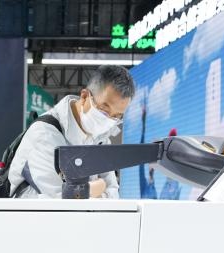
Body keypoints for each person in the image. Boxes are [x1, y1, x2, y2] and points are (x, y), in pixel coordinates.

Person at [8, 64, 134, 199]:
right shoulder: (44, 135)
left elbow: (113, 194)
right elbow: (62, 200)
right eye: (104, 110)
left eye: (117, 117)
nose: (108, 120)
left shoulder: (101, 139)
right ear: (84, 96)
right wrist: (98, 187)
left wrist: (90, 191)